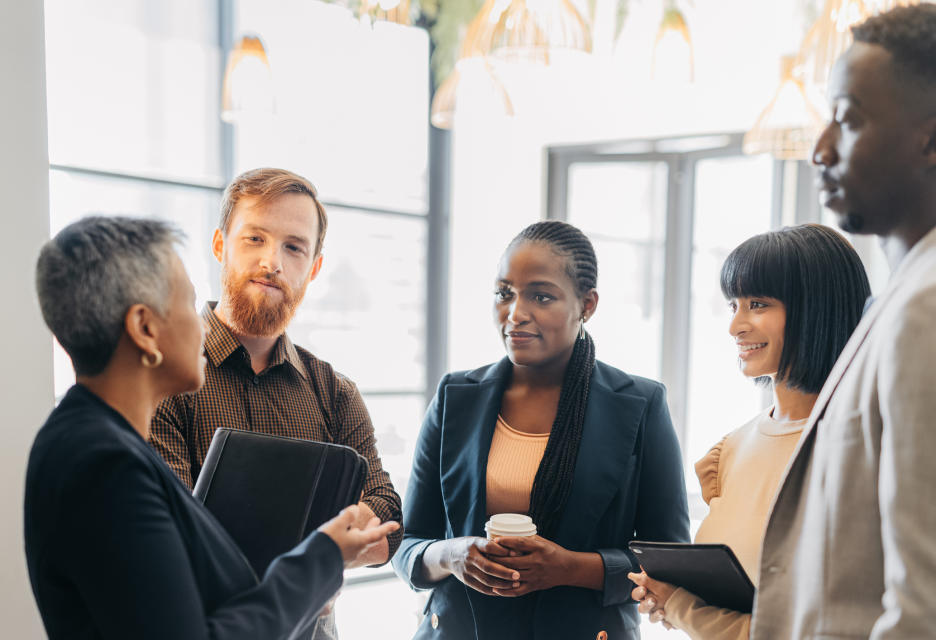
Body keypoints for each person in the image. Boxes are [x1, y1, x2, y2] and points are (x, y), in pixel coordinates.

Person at [25, 216, 398, 640]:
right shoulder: (104, 465)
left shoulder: (99, 443)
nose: (201, 322)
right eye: (187, 303)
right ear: (145, 330)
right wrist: (322, 558)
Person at [393, 220, 690, 640]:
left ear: (587, 305)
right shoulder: (455, 395)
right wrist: (451, 554)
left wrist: (568, 568)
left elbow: (669, 561)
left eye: (541, 296)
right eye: (504, 293)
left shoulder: (640, 405)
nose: (515, 313)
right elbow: (409, 541)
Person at [149, 168, 403, 638]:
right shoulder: (164, 377)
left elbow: (387, 513)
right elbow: (174, 532)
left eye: (293, 247)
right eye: (255, 239)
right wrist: (327, 550)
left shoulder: (334, 391)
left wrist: (344, 539)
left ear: (314, 267)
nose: (272, 262)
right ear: (222, 245)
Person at [759, 6, 935, 638]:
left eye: (849, 119)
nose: (820, 149)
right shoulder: (902, 293)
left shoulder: (926, 307)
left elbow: (924, 607)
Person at [627, 224, 871, 639]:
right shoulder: (733, 448)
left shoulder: (861, 449)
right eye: (733, 305)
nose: (735, 326)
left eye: (757, 304)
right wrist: (672, 600)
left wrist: (683, 606)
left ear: (817, 309)